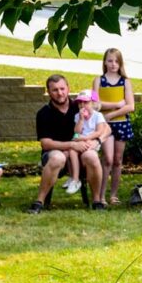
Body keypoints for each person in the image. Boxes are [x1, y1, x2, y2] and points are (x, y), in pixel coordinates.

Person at [28, 74, 105, 213]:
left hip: (81, 152)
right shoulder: (44, 113)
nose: (60, 93)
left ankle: (97, 200)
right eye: (55, 90)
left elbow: (106, 128)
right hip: (54, 153)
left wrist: (97, 141)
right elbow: (45, 143)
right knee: (58, 157)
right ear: (49, 92)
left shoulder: (81, 106)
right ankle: (39, 201)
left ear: (68, 88)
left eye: (62, 88)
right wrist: (71, 145)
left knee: (92, 157)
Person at [93, 48, 134, 205]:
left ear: (120, 63)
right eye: (110, 61)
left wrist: (110, 114)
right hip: (104, 126)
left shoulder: (125, 82)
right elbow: (95, 104)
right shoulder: (98, 81)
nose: (113, 64)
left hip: (121, 124)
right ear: (104, 62)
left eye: (116, 61)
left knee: (117, 160)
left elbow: (130, 106)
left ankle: (113, 195)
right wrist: (116, 104)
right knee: (107, 159)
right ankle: (101, 195)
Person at [64, 89, 111, 195]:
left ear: (94, 104)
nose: (82, 105)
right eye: (80, 102)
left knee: (83, 152)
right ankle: (75, 179)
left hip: (91, 141)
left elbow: (99, 132)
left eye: (86, 102)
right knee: (71, 150)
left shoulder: (98, 116)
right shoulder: (77, 116)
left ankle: (77, 180)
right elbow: (76, 132)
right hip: (80, 138)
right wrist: (80, 119)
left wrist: (85, 138)